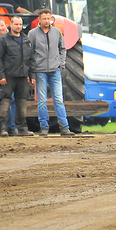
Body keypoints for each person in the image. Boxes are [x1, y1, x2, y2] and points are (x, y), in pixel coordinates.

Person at [28, 9, 73, 137]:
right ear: (39, 20)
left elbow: (62, 48)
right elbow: (29, 53)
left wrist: (61, 63)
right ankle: (44, 128)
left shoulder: (57, 32)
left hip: (55, 71)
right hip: (40, 71)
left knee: (58, 99)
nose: (47, 21)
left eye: (49, 19)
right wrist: (32, 72)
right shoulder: (33, 34)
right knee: (42, 100)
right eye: (44, 19)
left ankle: (64, 128)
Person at [0, 16, 36, 137]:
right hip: (8, 77)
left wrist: (31, 75)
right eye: (16, 24)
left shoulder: (26, 40)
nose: (18, 27)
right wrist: (1, 75)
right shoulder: (3, 40)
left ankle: (22, 129)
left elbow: (31, 59)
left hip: (23, 77)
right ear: (10, 25)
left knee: (22, 103)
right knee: (5, 102)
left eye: (20, 24)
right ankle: (2, 128)